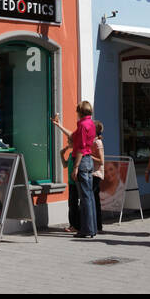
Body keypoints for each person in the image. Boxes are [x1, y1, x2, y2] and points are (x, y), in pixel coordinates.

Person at [52, 102, 100, 239]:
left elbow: (80, 147)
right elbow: (73, 137)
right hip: (88, 161)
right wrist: (59, 125)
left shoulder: (83, 125)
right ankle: (92, 228)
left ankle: (86, 230)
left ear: (80, 112)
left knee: (85, 199)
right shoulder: (90, 124)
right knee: (89, 196)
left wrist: (76, 167)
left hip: (82, 161)